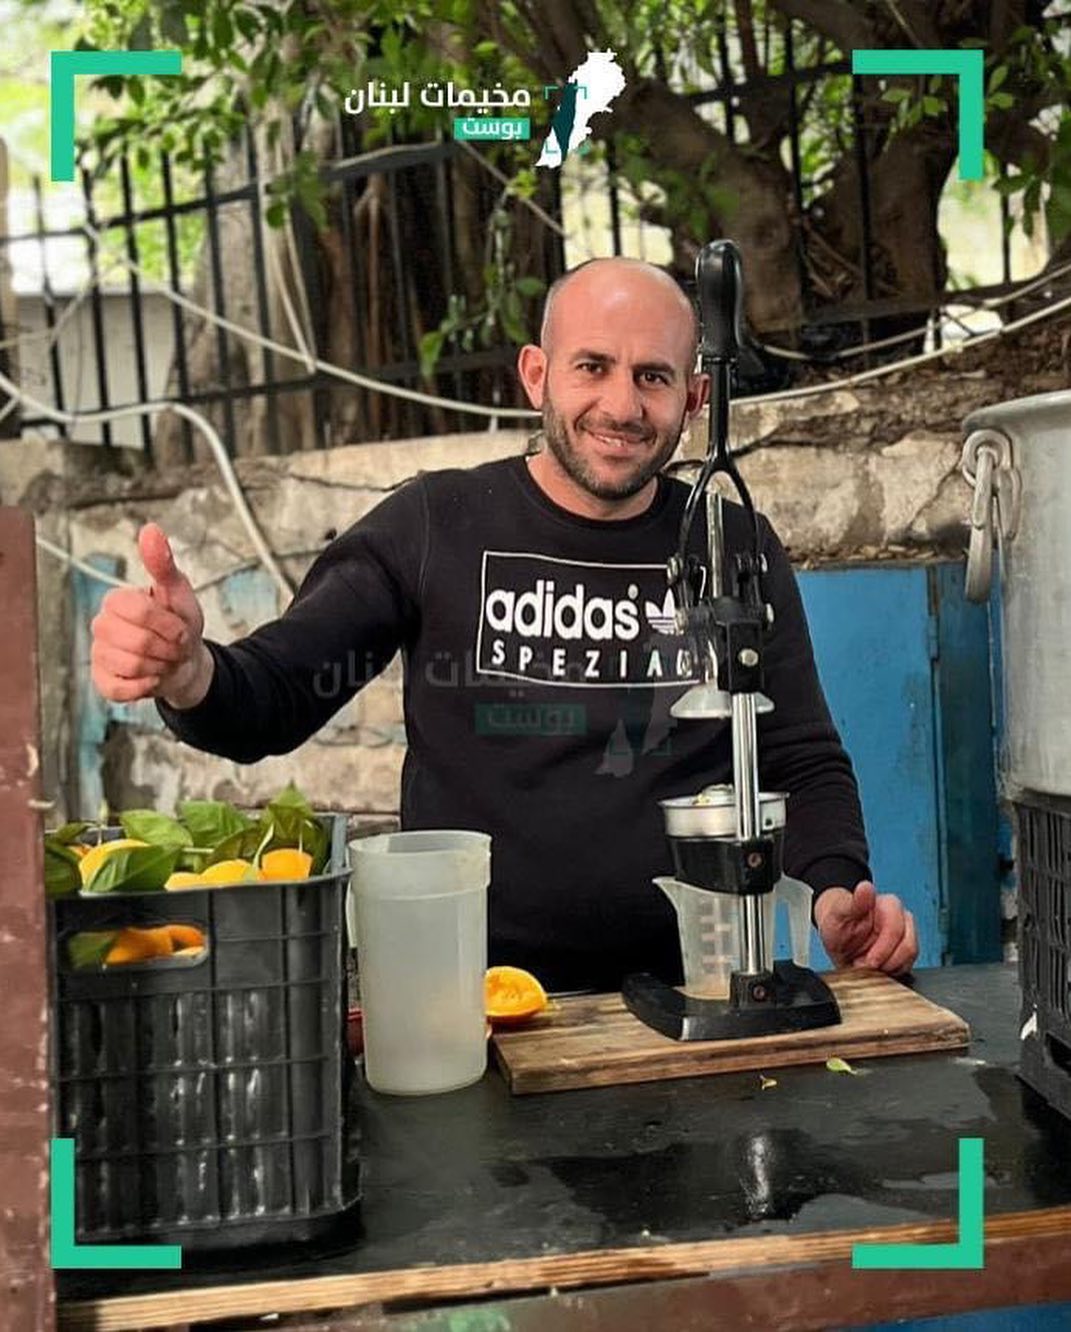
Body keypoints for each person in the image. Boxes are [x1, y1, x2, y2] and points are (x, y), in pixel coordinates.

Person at [90, 257, 918, 991]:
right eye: (591, 367)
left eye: (652, 377)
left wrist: (836, 892)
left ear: (694, 398)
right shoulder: (435, 524)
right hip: (467, 1002)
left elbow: (799, 756)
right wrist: (190, 673)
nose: (621, 404)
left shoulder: (729, 542)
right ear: (535, 374)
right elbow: (277, 693)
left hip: (692, 997)